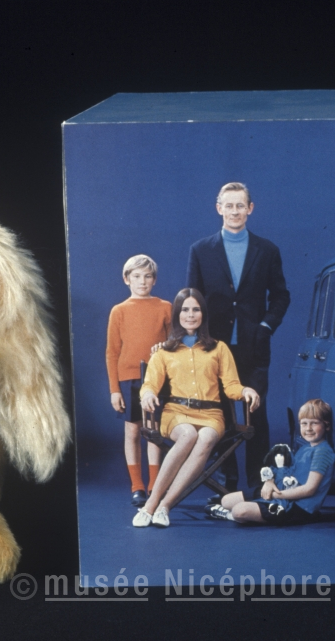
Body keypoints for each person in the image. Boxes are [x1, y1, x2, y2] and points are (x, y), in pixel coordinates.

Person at [187, 182, 290, 497]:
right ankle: (226, 487)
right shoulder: (200, 250)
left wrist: (265, 326)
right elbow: (193, 298)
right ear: (219, 208)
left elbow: (281, 296)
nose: (234, 211)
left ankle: (259, 485)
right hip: (213, 347)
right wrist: (198, 339)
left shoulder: (267, 250)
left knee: (255, 413)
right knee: (218, 414)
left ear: (250, 209)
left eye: (240, 205)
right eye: (228, 206)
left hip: (253, 345)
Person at [133, 288, 261, 527]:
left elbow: (231, 385)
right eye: (185, 310)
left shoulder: (219, 348)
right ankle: (150, 504)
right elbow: (150, 384)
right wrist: (148, 394)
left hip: (211, 415)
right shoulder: (163, 351)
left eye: (196, 309)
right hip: (176, 414)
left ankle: (164, 506)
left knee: (205, 437)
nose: (190, 315)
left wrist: (245, 390)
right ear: (177, 314)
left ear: (203, 314)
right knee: (188, 434)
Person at [105, 255, 171, 507]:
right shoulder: (119, 311)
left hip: (157, 378)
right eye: (136, 276)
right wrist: (114, 390)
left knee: (153, 431)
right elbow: (112, 352)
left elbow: (173, 344)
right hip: (129, 380)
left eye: (147, 276)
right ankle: (137, 486)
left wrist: (165, 347)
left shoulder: (165, 307)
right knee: (132, 431)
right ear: (126, 279)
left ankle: (154, 483)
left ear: (154, 280)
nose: (142, 281)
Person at [207, 399, 335, 525]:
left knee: (238, 511)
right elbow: (287, 471)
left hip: (299, 506)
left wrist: (274, 495)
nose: (308, 428)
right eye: (304, 423)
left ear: (327, 426)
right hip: (282, 492)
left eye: (314, 423)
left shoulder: (323, 452)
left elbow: (309, 489)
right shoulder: (305, 447)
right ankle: (247, 509)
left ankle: (229, 515)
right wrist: (270, 482)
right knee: (226, 500)